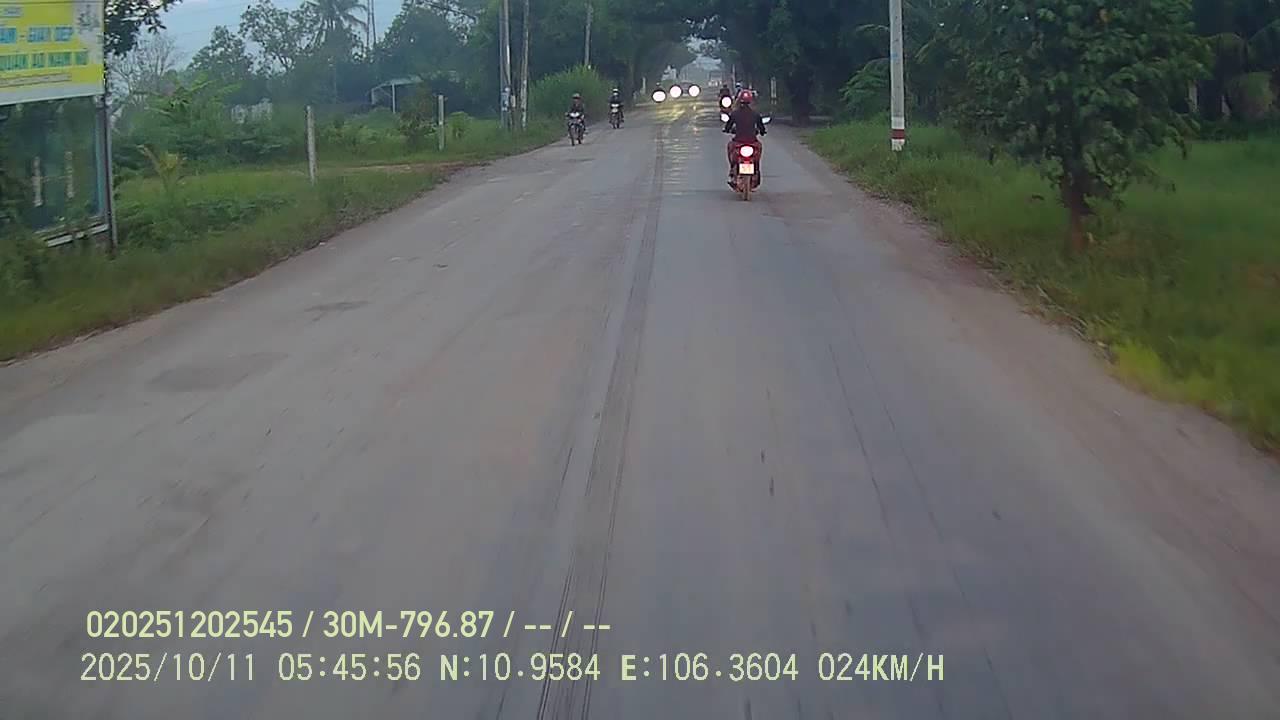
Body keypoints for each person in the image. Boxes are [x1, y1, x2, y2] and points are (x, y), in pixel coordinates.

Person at [723, 89, 768, 184]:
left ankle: (732, 169)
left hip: (738, 142)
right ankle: (756, 169)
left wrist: (727, 130)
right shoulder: (755, 114)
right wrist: (762, 132)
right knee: (758, 150)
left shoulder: (735, 114)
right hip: (753, 142)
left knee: (730, 147)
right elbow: (761, 127)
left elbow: (728, 126)